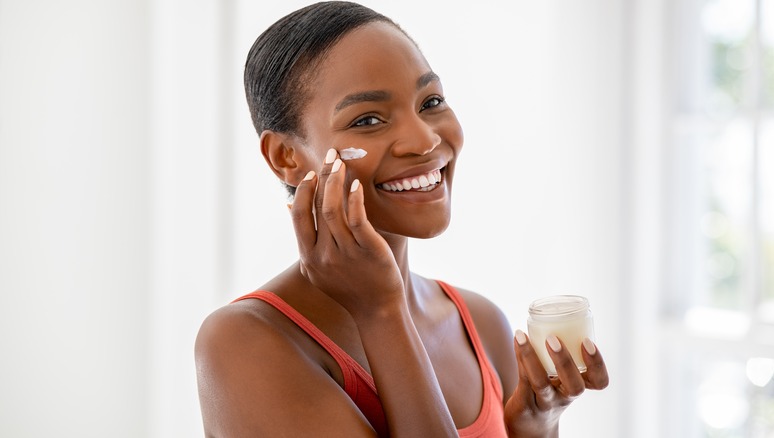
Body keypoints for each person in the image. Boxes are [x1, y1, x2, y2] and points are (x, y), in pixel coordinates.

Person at [195, 2, 609, 437]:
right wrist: (380, 312)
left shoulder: (480, 323)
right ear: (286, 157)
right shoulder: (245, 342)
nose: (425, 140)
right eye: (368, 119)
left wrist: (533, 423)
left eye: (431, 101)